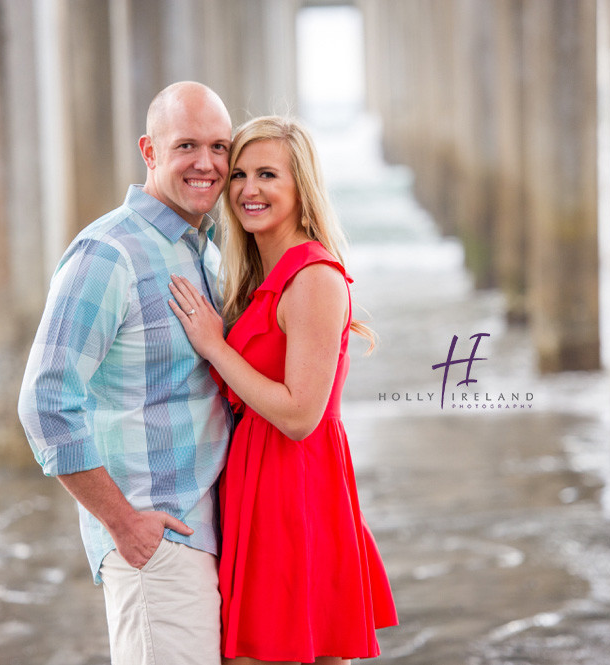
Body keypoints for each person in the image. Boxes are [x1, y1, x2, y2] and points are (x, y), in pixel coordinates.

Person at [168, 115, 398, 664]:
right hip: (253, 481)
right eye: (241, 174)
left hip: (294, 484)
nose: (249, 189)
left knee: (282, 651)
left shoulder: (313, 278)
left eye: (268, 174)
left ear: (301, 188)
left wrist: (214, 345)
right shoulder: (255, 278)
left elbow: (300, 415)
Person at [18, 81, 233, 665]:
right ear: (150, 150)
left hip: (211, 533)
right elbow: (44, 401)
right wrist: (124, 522)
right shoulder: (108, 253)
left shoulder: (204, 249)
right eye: (187, 144)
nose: (207, 163)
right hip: (156, 539)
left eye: (220, 146)